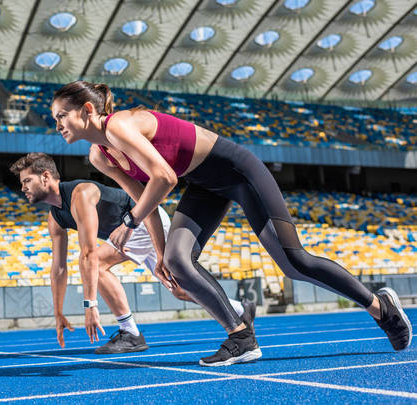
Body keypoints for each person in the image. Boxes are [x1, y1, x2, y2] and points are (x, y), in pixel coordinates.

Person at [50, 81, 412, 366]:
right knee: (177, 260)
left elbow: (163, 178)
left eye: (61, 115)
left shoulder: (119, 126)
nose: (57, 125)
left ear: (85, 110)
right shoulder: (100, 155)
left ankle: (379, 306)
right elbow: (144, 194)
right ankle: (241, 337)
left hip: (238, 171)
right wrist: (159, 254)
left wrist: (129, 223)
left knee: (292, 261)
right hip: (204, 184)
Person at [10, 153, 256, 354]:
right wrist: (58, 313)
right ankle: (238, 309)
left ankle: (131, 333)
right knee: (179, 290)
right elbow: (58, 269)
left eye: (26, 181)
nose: (22, 188)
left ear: (45, 177)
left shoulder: (80, 194)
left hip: (144, 222)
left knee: (103, 265)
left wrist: (90, 305)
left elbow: (88, 253)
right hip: (125, 237)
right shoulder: (55, 218)